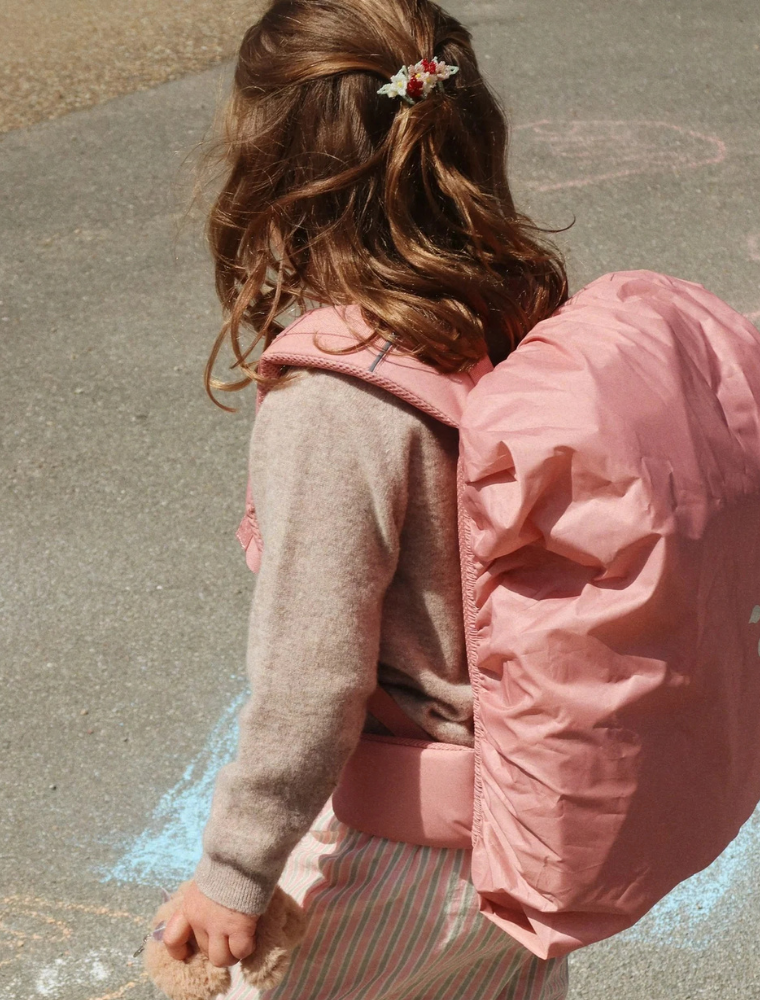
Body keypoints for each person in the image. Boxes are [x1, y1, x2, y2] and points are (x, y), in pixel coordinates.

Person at [163, 1, 570, 996]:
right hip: (539, 836)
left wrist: (233, 874)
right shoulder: (516, 319)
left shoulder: (334, 404)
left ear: (277, 175)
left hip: (408, 856)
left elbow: (311, 678)